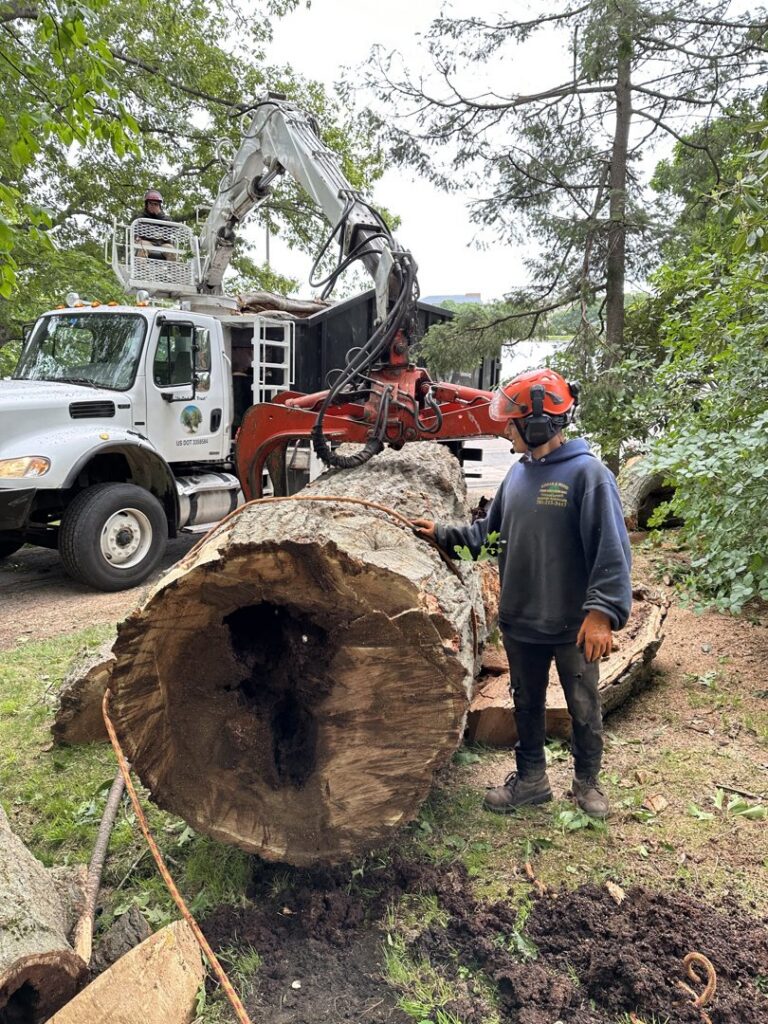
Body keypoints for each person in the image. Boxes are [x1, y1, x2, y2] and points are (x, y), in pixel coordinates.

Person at [412, 368, 632, 819]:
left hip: (574, 624)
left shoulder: (588, 475)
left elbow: (612, 549)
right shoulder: (517, 476)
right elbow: (487, 536)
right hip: (522, 619)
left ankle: (588, 783)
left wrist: (603, 614)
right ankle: (531, 780)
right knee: (526, 703)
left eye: (511, 424)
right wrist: (441, 534)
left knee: (584, 706)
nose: (505, 430)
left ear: (537, 425)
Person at [135, 189, 174, 261]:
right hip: (147, 242)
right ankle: (141, 270)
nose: (153, 206)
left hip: (162, 244)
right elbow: (137, 231)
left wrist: (159, 214)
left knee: (171, 250)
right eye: (151, 204)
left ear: (159, 206)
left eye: (155, 204)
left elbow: (171, 228)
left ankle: (174, 271)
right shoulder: (141, 217)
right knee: (143, 247)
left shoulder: (164, 218)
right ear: (147, 204)